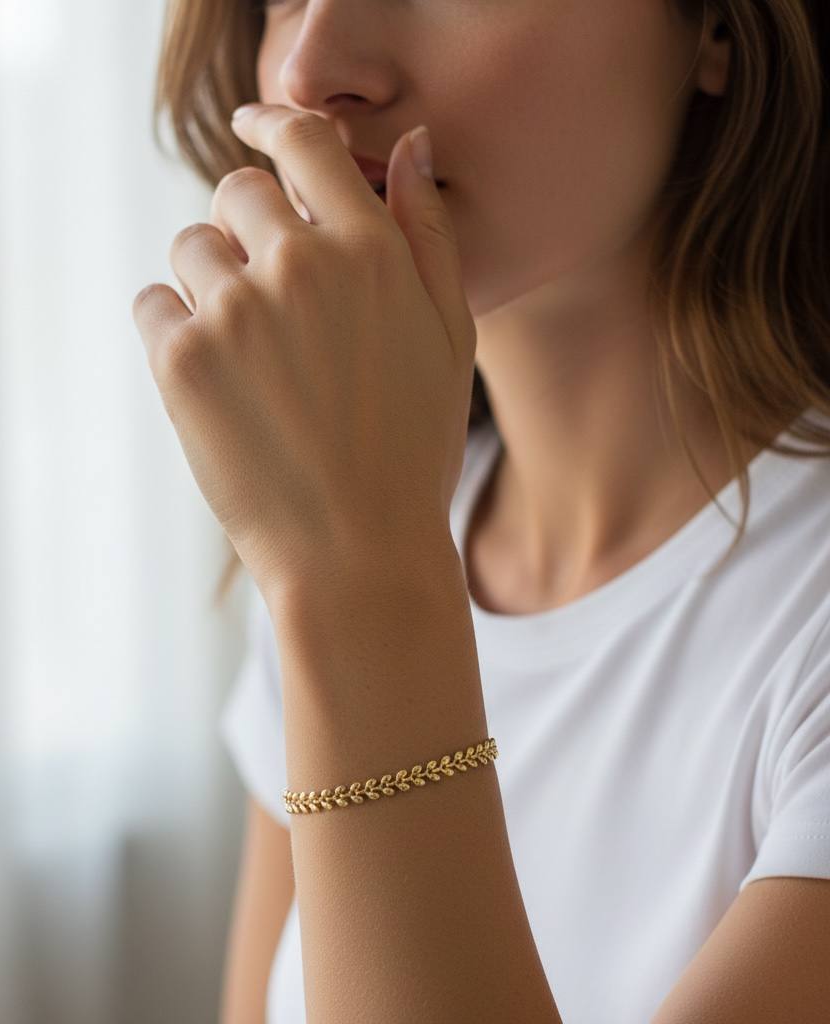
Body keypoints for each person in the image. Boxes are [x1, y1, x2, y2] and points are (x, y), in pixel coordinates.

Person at [147, 1, 830, 1020]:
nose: (309, 69)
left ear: (717, 29)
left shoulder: (354, 559)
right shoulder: (347, 541)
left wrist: (359, 589)